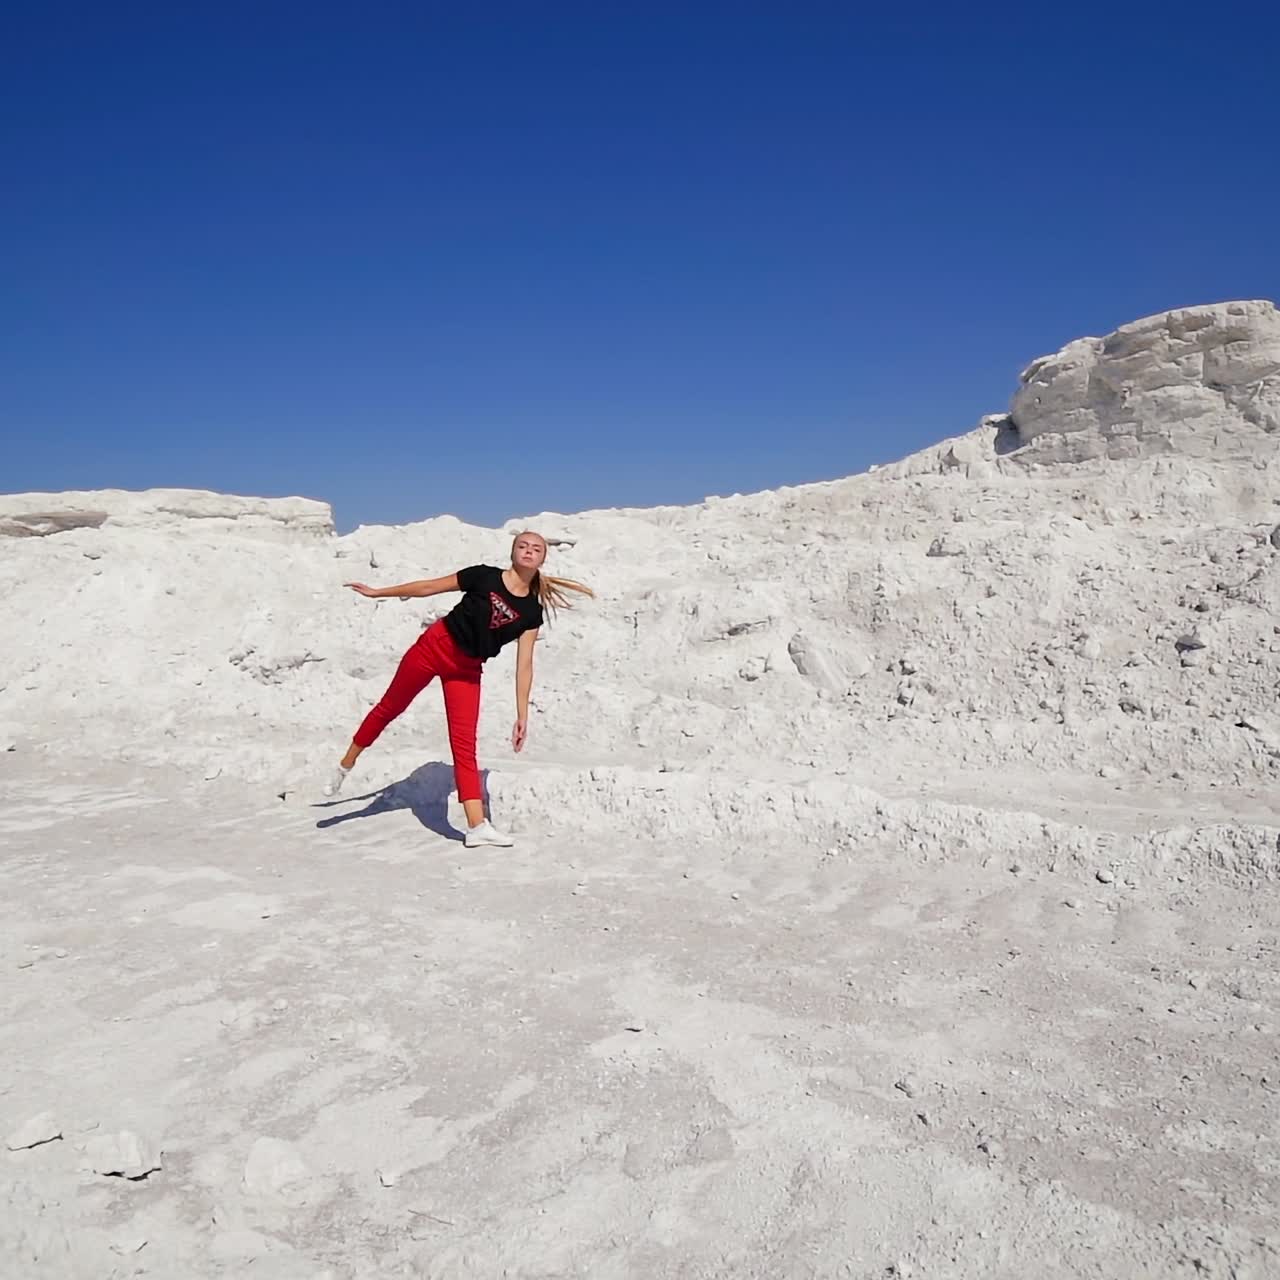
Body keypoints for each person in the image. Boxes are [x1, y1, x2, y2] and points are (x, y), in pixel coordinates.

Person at [323, 531, 593, 847]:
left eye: (536, 548)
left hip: (466, 670)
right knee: (389, 709)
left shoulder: (531, 612)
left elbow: (525, 665)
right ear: (512, 552)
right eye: (523, 545)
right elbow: (428, 587)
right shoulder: (484, 576)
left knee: (464, 744)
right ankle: (346, 764)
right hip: (433, 648)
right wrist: (378, 592)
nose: (529, 551)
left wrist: (522, 715)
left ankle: (476, 827)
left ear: (543, 559)